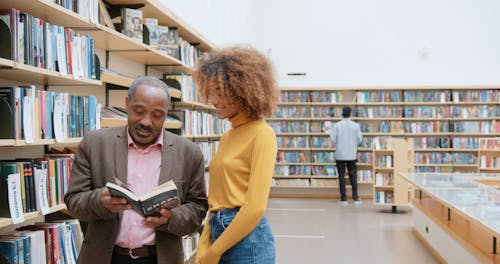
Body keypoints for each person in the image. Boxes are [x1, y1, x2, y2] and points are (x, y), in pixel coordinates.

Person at [64, 76, 208, 264]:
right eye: (139, 111)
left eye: (157, 115)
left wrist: (170, 218)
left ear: (166, 114)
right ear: (127, 104)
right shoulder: (94, 144)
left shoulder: (189, 153)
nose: (146, 122)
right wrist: (100, 202)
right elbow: (74, 201)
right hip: (104, 257)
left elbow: (198, 209)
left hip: (161, 258)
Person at [192, 47, 278, 264]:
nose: (212, 100)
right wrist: (205, 244)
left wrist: (215, 250)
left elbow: (255, 207)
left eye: (219, 92)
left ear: (242, 91)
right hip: (218, 231)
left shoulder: (262, 134)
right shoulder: (227, 136)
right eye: (209, 92)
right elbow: (217, 201)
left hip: (249, 242)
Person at [330, 106, 363, 204]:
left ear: (342, 113)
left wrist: (334, 145)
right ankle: (356, 197)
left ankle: (343, 198)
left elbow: (332, 140)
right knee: (353, 175)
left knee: (341, 176)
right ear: (350, 113)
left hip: (340, 154)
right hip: (352, 154)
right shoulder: (356, 126)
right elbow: (360, 140)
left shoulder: (337, 125)